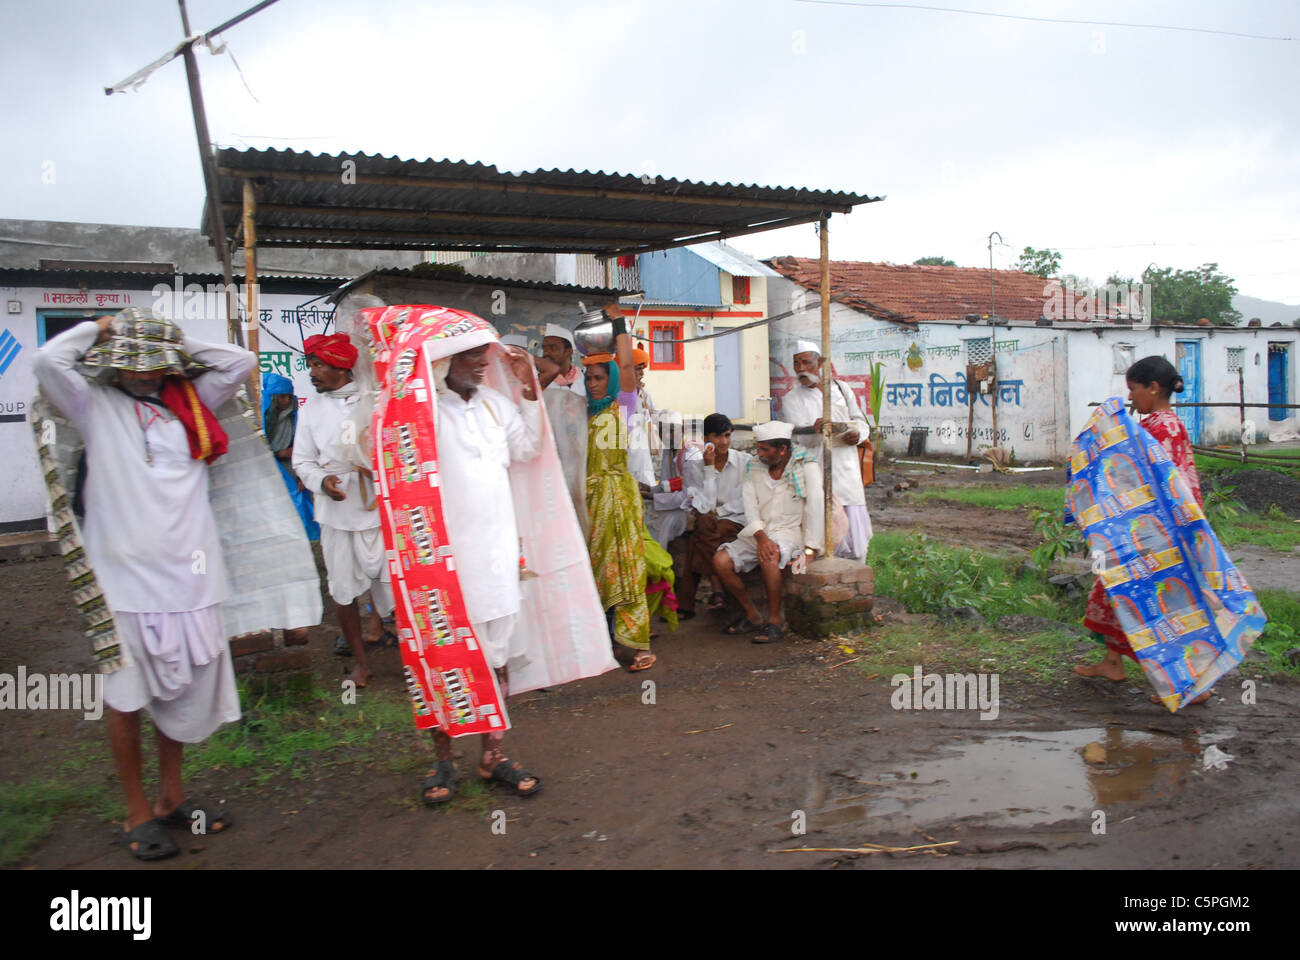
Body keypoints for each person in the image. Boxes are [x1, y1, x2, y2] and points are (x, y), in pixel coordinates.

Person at [32, 308, 255, 861]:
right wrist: (99, 330)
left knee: (181, 692)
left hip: (192, 578)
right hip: (124, 582)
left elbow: (240, 361)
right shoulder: (92, 405)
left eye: (153, 363)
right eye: (133, 362)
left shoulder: (190, 405)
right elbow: (45, 360)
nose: (143, 372)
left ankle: (171, 798)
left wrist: (175, 342)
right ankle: (136, 814)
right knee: (128, 699)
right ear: (112, 365)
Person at [422, 338, 548, 801]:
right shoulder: (423, 410)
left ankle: (493, 756)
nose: (481, 362)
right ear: (440, 361)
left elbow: (528, 448)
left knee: (496, 658)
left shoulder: (496, 404)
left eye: (484, 354)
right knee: (443, 660)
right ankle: (442, 762)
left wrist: (528, 389)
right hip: (442, 561)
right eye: (468, 355)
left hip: (495, 556)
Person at [1075, 355, 1210, 704]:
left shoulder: (1160, 428)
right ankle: (1111, 662)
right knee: (1115, 589)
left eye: (1133, 389)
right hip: (1145, 529)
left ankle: (1196, 684)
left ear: (1153, 388)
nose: (1131, 397)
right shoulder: (1161, 424)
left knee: (1164, 607)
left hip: (1155, 533)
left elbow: (1149, 480)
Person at [292, 332, 394, 688]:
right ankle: (362, 664)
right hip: (335, 514)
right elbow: (302, 460)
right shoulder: (310, 410)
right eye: (311, 365)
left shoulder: (378, 400)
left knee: (397, 588)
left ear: (340, 366)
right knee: (342, 590)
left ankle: (416, 660)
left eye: (318, 365)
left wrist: (375, 466)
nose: (313, 372)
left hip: (380, 510)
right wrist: (322, 482)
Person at [582, 306, 672, 670]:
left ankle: (629, 643)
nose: (592, 383)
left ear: (614, 380)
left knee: (627, 569)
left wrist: (619, 325)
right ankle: (598, 642)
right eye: (588, 378)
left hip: (618, 499)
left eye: (599, 378)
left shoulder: (624, 408)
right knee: (593, 570)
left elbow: (626, 366)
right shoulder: (580, 412)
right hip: (587, 501)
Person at [713, 420, 824, 643]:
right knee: (720, 561)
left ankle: (775, 621)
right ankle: (752, 615)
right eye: (759, 447)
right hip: (758, 531)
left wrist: (810, 550)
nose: (759, 453)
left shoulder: (807, 466)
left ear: (782, 449)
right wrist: (761, 537)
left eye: (765, 448)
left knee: (770, 556)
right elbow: (750, 506)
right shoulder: (754, 466)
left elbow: (816, 507)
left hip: (789, 532)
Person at [779, 340, 873, 562]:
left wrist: (856, 434)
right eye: (796, 363)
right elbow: (801, 439)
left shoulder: (841, 389)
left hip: (847, 468)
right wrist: (816, 429)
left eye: (806, 362)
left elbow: (861, 422)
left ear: (819, 363)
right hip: (818, 468)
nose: (801, 368)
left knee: (856, 540)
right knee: (824, 528)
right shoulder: (791, 399)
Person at [677, 413, 751, 618]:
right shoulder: (694, 466)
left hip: (736, 519)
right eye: (717, 436)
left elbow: (743, 501)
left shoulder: (745, 462)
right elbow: (703, 505)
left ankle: (687, 604)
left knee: (698, 538)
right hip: (710, 522)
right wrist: (709, 470)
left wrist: (717, 512)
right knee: (703, 527)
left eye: (727, 435)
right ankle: (729, 597)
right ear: (706, 439)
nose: (723, 442)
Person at [261, 371, 319, 541]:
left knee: (298, 516)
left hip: (291, 471)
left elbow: (304, 447)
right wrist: (280, 453)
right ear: (272, 397)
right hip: (269, 474)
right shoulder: (261, 419)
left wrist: (303, 476)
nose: (286, 401)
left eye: (288, 397)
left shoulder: (294, 417)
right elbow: (259, 451)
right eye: (281, 397)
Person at [542, 323, 585, 398]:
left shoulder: (583, 379)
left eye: (553, 347)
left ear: (568, 352)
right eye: (544, 348)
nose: (546, 352)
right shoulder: (538, 380)